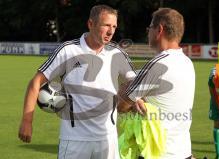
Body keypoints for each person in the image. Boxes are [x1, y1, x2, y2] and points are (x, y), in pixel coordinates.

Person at [18, 4, 136, 159]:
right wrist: (27, 121)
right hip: (74, 139)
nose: (111, 31)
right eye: (106, 25)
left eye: (114, 26)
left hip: (108, 139)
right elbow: (36, 82)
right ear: (91, 24)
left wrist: (136, 100)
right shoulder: (68, 50)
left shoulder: (117, 53)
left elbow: (136, 84)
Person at [117, 8, 195, 159]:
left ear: (159, 30)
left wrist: (129, 96)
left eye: (150, 28)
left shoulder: (157, 64)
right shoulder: (187, 62)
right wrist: (136, 98)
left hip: (157, 153)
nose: (148, 32)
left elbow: (121, 105)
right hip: (183, 152)